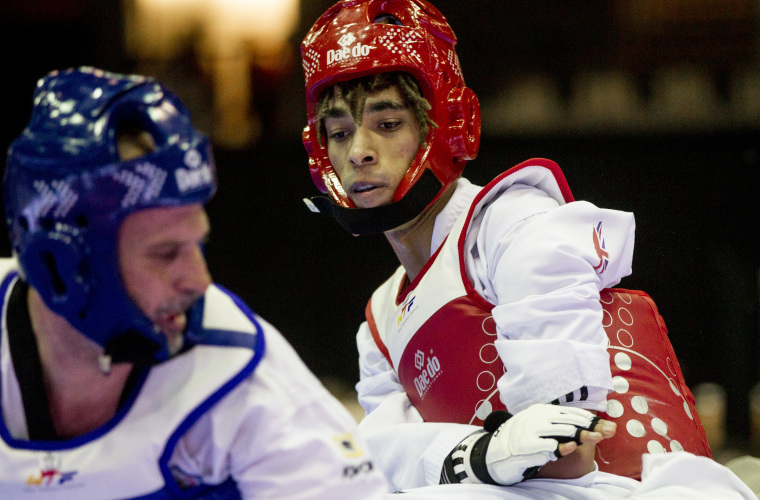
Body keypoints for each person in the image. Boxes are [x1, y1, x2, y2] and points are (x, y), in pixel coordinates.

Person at [299, 0, 756, 498]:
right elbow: (377, 468)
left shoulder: (514, 225)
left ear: (448, 125)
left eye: (388, 125)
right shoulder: (381, 325)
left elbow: (567, 457)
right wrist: (476, 454)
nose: (358, 152)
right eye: (339, 133)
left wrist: (456, 459)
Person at [0, 66, 393, 499]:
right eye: (165, 254)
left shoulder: (241, 374)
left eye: (198, 243)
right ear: (58, 266)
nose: (199, 281)